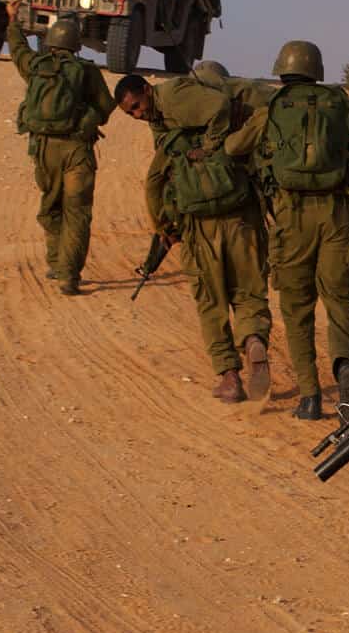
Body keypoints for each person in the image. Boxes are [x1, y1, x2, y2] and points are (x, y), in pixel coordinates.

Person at [224, 40, 349, 420]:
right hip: (338, 212)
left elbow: (234, 147)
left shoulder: (274, 107)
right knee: (340, 303)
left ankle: (310, 397)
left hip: (291, 218)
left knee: (297, 309)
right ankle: (345, 367)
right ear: (317, 69)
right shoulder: (341, 104)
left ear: (282, 69)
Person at [114, 72, 273, 402]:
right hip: (241, 216)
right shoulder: (236, 134)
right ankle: (254, 340)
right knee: (248, 290)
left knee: (210, 301)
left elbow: (154, 186)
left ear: (147, 90)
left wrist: (164, 228)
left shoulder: (173, 135)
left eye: (138, 107)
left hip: (199, 230)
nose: (138, 115)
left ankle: (230, 377)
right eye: (131, 113)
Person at [5, 2, 115, 295]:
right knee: (77, 212)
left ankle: (56, 262)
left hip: (44, 149)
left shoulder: (37, 67)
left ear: (51, 42)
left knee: (51, 206)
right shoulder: (86, 71)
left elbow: (18, 50)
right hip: (77, 151)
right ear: (76, 45)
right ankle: (69, 275)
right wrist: (87, 120)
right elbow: (105, 107)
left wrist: (13, 20)